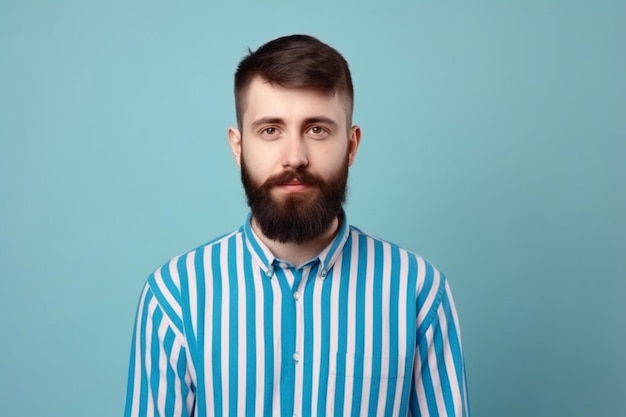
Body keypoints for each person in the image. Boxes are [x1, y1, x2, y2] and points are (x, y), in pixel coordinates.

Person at [124, 34, 470, 417]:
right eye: (270, 130)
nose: (295, 157)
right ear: (238, 146)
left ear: (351, 145)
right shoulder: (174, 296)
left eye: (317, 129)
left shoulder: (418, 292)